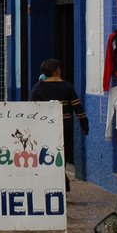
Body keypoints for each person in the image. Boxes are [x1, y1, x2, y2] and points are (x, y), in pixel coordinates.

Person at [29, 58, 88, 192]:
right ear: (56, 71)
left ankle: (49, 184)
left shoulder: (38, 88)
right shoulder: (67, 87)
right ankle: (62, 183)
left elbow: (31, 109)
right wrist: (84, 124)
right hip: (64, 127)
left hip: (44, 128)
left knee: (45, 155)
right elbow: (77, 107)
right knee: (62, 156)